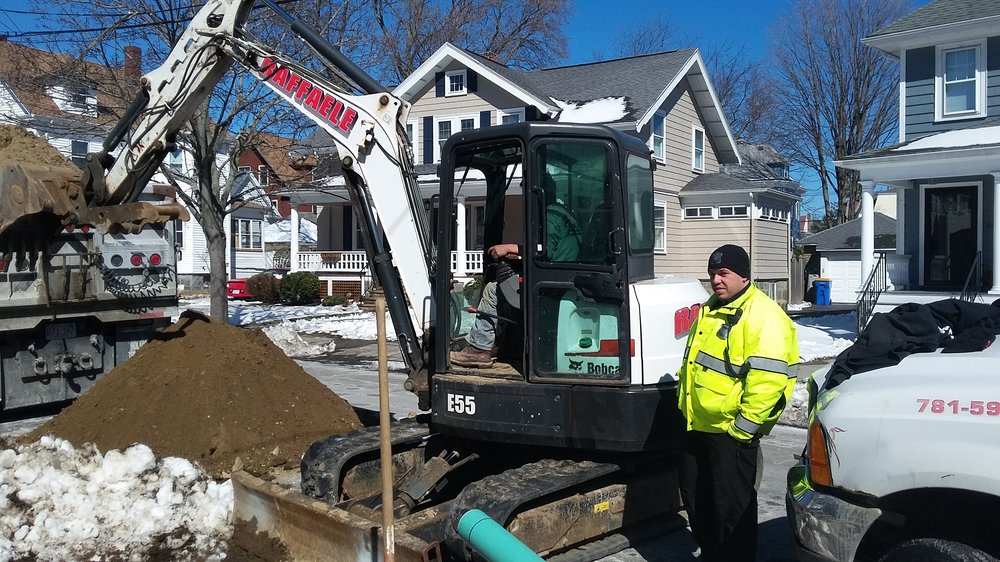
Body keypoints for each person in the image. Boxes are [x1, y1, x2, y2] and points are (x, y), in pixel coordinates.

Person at [676, 244, 799, 562]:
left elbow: (767, 383)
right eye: (712, 274)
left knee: (732, 509)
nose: (716, 280)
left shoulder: (764, 316)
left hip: (730, 433)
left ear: (743, 276)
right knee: (698, 500)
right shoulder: (712, 308)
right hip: (698, 426)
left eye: (723, 273)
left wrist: (742, 431)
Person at [450, 188, 580, 368]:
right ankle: (508, 344)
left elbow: (543, 252)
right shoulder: (565, 215)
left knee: (493, 290)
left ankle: (479, 348)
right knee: (509, 288)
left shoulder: (551, 217)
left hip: (551, 284)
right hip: (563, 277)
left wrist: (509, 248)